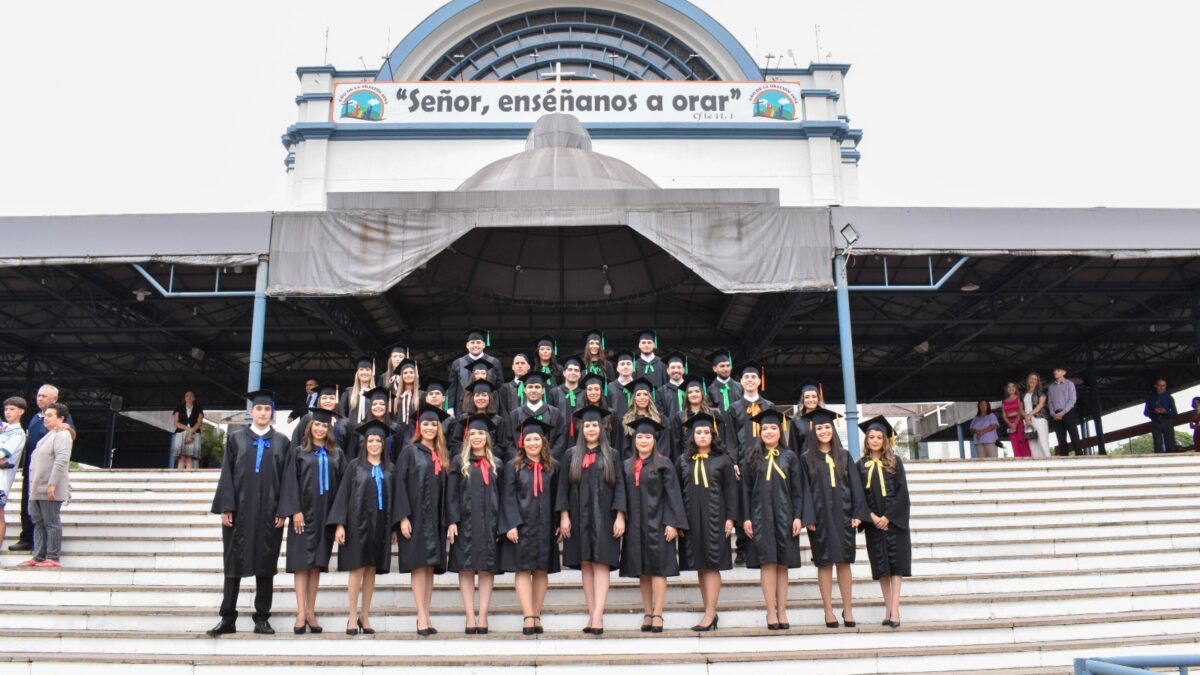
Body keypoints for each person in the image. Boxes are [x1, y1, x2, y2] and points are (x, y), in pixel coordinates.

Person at [207, 390, 290, 637]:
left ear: (272, 413)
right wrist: (226, 506)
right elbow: (227, 475)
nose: (263, 413)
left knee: (266, 565)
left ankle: (262, 618)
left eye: (267, 409)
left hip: (269, 513)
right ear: (251, 412)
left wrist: (283, 510)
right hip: (239, 513)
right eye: (259, 409)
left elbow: (286, 480)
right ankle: (227, 618)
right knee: (233, 564)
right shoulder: (236, 439)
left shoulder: (283, 442)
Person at [557, 406, 626, 635]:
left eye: (594, 425)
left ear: (601, 427)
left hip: (604, 516)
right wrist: (564, 516)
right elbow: (563, 488)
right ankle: (591, 613)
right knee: (585, 564)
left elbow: (619, 488)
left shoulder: (612, 454)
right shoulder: (570, 455)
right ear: (581, 428)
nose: (591, 429)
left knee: (601, 564)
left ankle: (598, 616)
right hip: (578, 516)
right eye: (587, 425)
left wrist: (620, 516)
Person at [739, 408, 810, 630]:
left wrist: (799, 516)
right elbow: (745, 491)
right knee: (767, 563)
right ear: (759, 432)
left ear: (781, 431)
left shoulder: (790, 457)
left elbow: (798, 490)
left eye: (773, 428)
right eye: (765, 428)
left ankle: (783, 611)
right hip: (760, 517)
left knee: (782, 565)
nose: (769, 431)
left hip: (786, 517)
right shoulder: (751, 456)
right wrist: (747, 518)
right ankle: (771, 612)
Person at [278, 407, 345, 634]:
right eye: (317, 425)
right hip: (303, 517)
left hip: (326, 517)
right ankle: (299, 612)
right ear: (310, 427)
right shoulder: (298, 452)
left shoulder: (337, 454)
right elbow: (289, 482)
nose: (320, 428)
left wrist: (338, 520)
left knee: (317, 565)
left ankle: (311, 611)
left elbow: (344, 488)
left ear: (329, 429)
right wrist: (295, 511)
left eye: (324, 425)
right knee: (301, 565)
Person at [802, 407, 867, 629]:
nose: (823, 431)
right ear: (813, 431)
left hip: (844, 514)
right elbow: (804, 491)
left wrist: (858, 513)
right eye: (819, 428)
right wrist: (808, 516)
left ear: (833, 429)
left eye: (827, 427)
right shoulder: (806, 458)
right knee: (824, 562)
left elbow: (856, 487)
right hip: (819, 517)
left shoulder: (845, 456)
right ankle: (828, 609)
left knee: (844, 561)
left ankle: (847, 608)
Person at [620, 417, 687, 634]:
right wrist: (621, 518)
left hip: (659, 524)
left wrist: (672, 522)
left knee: (659, 568)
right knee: (642, 570)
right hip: (635, 526)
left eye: (648, 437)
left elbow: (673, 495)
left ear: (654, 440)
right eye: (640, 436)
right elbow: (621, 495)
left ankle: (658, 612)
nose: (643, 440)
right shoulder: (627, 465)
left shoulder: (664, 463)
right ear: (634, 439)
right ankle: (647, 612)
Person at [330, 420, 396, 636]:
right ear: (364, 443)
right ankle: (351, 615)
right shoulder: (354, 466)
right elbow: (342, 495)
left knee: (371, 570)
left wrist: (394, 527)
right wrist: (340, 524)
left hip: (380, 527)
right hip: (356, 525)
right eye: (371, 440)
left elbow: (396, 501)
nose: (375, 444)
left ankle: (365, 615)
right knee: (356, 569)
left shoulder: (390, 469)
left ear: (384, 444)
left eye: (378, 440)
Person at [393, 403, 451, 636]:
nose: (429, 427)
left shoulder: (442, 454)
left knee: (430, 567)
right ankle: (421, 616)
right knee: (419, 566)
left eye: (433, 424)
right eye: (425, 424)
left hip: (435, 519)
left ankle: (426, 612)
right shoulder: (410, 451)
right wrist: (403, 518)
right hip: (415, 517)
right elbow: (400, 484)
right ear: (419, 426)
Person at [676, 412, 737, 632]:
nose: (702, 436)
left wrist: (730, 518)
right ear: (692, 436)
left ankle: (710, 613)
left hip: (716, 517)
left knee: (712, 564)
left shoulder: (723, 460)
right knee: (700, 565)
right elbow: (677, 492)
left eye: (706, 433)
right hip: (692, 518)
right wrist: (679, 521)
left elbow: (731, 490)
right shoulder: (683, 460)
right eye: (698, 433)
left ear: (713, 435)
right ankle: (709, 610)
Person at [499, 418, 560, 636]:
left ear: (543, 442)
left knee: (542, 569)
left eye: (536, 439)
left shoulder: (553, 467)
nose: (533, 443)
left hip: (545, 525)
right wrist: (511, 524)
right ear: (522, 443)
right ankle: (527, 615)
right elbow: (507, 497)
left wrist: (561, 520)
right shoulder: (513, 466)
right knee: (523, 568)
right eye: (528, 439)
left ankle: (537, 613)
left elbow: (558, 497)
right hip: (522, 525)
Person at [446, 414, 504, 634]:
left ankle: (483, 616)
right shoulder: (459, 461)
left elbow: (502, 495)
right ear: (467, 437)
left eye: (481, 433)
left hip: (490, 523)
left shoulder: (496, 463)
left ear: (487, 437)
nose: (477, 437)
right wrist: (452, 521)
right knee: (466, 569)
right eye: (473, 434)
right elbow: (451, 494)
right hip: (465, 523)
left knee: (487, 569)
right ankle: (470, 616)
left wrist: (501, 525)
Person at [856, 416, 911, 628]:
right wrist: (872, 518)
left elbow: (902, 494)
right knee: (882, 568)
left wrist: (888, 517)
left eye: (879, 437)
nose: (875, 440)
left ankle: (895, 610)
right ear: (866, 440)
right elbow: (858, 497)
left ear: (885, 440)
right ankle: (888, 607)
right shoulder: (859, 465)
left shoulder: (895, 462)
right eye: (872, 437)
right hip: (873, 524)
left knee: (896, 566)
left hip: (894, 523)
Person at [12, 385, 76, 552]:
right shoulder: (35, 417)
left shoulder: (62, 418)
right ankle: (27, 538)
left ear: (54, 399)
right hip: (32, 470)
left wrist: (67, 428)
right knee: (28, 505)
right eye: (39, 395)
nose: (40, 398)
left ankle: (49, 549)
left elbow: (70, 435)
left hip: (48, 472)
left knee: (47, 514)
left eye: (44, 396)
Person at [502, 371, 566, 462]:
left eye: (537, 387)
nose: (533, 390)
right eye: (530, 387)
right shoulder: (515, 415)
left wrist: (548, 459)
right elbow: (509, 441)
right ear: (525, 389)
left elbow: (560, 440)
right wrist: (520, 460)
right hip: (522, 465)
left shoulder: (554, 413)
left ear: (543, 390)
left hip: (548, 464)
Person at [668, 374, 734, 465]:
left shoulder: (714, 414)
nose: (693, 394)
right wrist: (679, 465)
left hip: (713, 461)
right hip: (688, 462)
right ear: (686, 396)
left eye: (697, 391)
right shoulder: (679, 417)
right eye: (690, 392)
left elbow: (722, 439)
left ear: (702, 394)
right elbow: (676, 446)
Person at [447, 328, 503, 415]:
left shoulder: (494, 362)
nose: (475, 345)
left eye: (478, 342)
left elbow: (499, 385)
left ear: (484, 345)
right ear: (467, 345)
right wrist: (450, 408)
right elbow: (452, 387)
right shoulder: (458, 363)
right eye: (472, 343)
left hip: (489, 409)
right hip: (462, 408)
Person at [616, 378, 669, 460]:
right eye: (638, 394)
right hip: (634, 465)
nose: (642, 397)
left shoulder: (660, 419)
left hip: (656, 464)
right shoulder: (626, 420)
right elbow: (625, 447)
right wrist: (635, 462)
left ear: (650, 397)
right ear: (634, 398)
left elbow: (664, 444)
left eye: (645, 394)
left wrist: (653, 461)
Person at [0, 397, 28, 548]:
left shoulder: (17, 433)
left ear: (21, 411)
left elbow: (3, 455)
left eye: (12, 409)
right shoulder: (5, 428)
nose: (8, 412)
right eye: (6, 409)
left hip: (1, 481)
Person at [343, 387, 398, 462]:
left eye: (382, 404)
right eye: (374, 404)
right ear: (370, 407)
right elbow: (351, 453)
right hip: (361, 470)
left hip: (387, 471)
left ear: (387, 406)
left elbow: (398, 455)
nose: (378, 406)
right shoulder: (360, 427)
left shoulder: (395, 428)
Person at [291, 383, 341, 447]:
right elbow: (296, 441)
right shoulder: (308, 418)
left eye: (332, 398)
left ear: (337, 401)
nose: (328, 401)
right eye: (324, 398)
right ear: (319, 400)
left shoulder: (344, 423)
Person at [1048, 366, 1082, 456]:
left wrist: (1063, 412)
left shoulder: (1069, 384)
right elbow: (1050, 402)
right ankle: (1064, 459)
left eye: (1058, 370)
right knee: (1061, 439)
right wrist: (1052, 413)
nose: (1055, 371)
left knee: (1074, 437)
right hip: (1055, 415)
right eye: (1055, 370)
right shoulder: (1051, 387)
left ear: (1064, 372)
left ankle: (1081, 458)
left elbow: (1072, 400)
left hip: (1068, 413)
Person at [171, 390, 205, 470]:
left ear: (194, 398)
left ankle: (188, 478)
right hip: (181, 433)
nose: (189, 397)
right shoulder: (178, 408)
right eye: (187, 395)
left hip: (194, 433)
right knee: (182, 457)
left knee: (190, 457)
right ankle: (179, 479)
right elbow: (176, 423)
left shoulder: (199, 408)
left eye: (191, 396)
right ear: (184, 398)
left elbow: (199, 423)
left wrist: (191, 432)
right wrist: (188, 429)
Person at [788, 379, 824, 453]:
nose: (811, 400)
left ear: (818, 399)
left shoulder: (825, 417)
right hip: (804, 462)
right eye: (807, 397)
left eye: (814, 396)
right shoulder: (796, 421)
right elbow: (793, 447)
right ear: (802, 400)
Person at [1144, 378, 1179, 453]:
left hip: (1167, 422)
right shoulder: (1150, 397)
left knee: (1170, 443)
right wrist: (1154, 412)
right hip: (1156, 422)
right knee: (1157, 444)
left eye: (1164, 386)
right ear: (1155, 386)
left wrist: (1165, 411)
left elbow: (1174, 413)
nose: (1162, 387)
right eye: (1160, 385)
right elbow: (1146, 412)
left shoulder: (1169, 397)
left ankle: (1172, 461)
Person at [1022, 372, 1051, 459]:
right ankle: (1038, 467)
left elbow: (1041, 404)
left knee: (1042, 441)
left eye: (1035, 379)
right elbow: (1020, 408)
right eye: (1031, 378)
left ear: (1038, 381)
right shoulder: (1024, 394)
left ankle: (1049, 463)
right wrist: (1026, 417)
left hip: (1039, 418)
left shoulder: (1041, 392)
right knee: (1032, 443)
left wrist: (1029, 415)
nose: (1032, 380)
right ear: (1028, 380)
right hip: (1028, 420)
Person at [340, 356, 377, 423]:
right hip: (352, 430)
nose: (364, 372)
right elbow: (342, 414)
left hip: (370, 431)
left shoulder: (376, 392)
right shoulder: (348, 392)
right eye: (361, 369)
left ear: (372, 373)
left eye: (367, 370)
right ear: (357, 373)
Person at [498, 351, 532, 419]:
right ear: (513, 367)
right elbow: (503, 411)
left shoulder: (533, 388)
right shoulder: (504, 388)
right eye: (517, 363)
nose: (520, 366)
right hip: (511, 426)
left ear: (528, 366)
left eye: (523, 363)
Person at [706, 349, 742, 414]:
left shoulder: (740, 387)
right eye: (722, 366)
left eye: (728, 365)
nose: (726, 369)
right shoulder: (710, 390)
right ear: (714, 369)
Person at [1001, 382, 1031, 458]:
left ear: (1016, 388)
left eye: (1013, 386)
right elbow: (1004, 415)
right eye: (1009, 387)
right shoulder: (1004, 401)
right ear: (1007, 389)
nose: (1011, 388)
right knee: (1014, 443)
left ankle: (1027, 459)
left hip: (1019, 422)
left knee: (1022, 441)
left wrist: (1015, 423)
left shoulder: (1019, 398)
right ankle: (1018, 461)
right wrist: (1010, 424)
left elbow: (1020, 411)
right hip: (1010, 423)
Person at [656, 353, 689, 419]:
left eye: (679, 367)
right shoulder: (661, 391)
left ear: (683, 370)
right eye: (673, 367)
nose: (676, 370)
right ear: (668, 371)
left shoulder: (690, 388)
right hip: (670, 428)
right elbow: (661, 414)